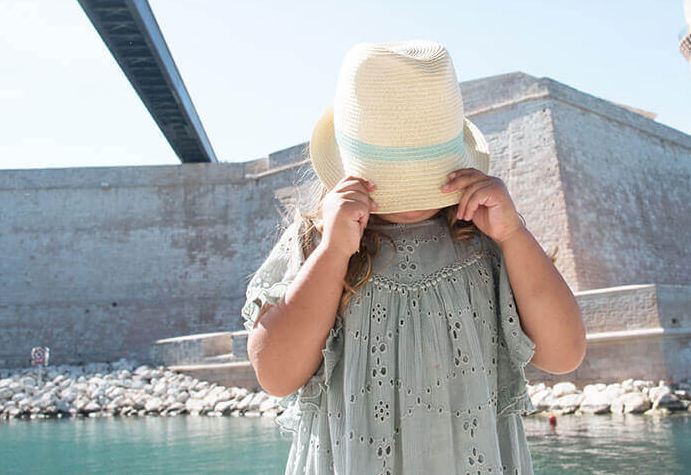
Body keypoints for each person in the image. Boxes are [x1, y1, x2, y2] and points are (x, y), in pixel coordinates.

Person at [241, 40, 586, 474]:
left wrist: (514, 236)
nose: (409, 194)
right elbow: (276, 375)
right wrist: (332, 252)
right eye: (396, 177)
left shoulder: (488, 239)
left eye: (421, 174)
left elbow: (564, 353)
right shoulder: (316, 240)